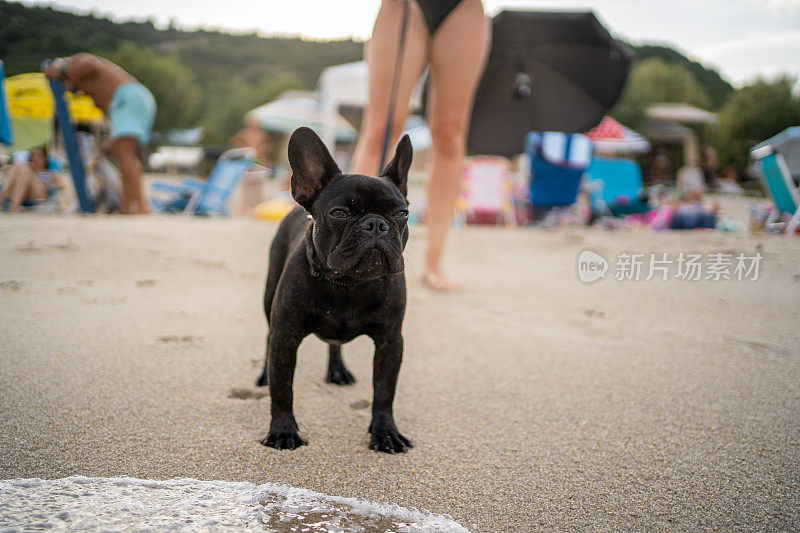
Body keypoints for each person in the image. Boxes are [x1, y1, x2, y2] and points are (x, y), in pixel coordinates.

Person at [350, 0, 491, 290]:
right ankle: (350, 244)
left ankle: (433, 261)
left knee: (450, 134)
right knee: (381, 128)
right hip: (405, 6)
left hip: (463, 7)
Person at [43, 53, 156, 214]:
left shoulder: (76, 63)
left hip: (128, 98)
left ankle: (136, 208)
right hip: (132, 100)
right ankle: (136, 207)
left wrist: (61, 71)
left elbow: (91, 64)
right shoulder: (89, 83)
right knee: (124, 154)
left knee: (125, 154)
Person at [0, 147, 63, 212]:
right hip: (24, 193)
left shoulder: (49, 172)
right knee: (18, 165)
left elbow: (61, 186)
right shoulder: (26, 170)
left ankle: (4, 198)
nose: (35, 158)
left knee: (24, 169)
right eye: (33, 155)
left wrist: (53, 182)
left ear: (45, 159)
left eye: (39, 156)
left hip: (40, 193)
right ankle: (7, 200)